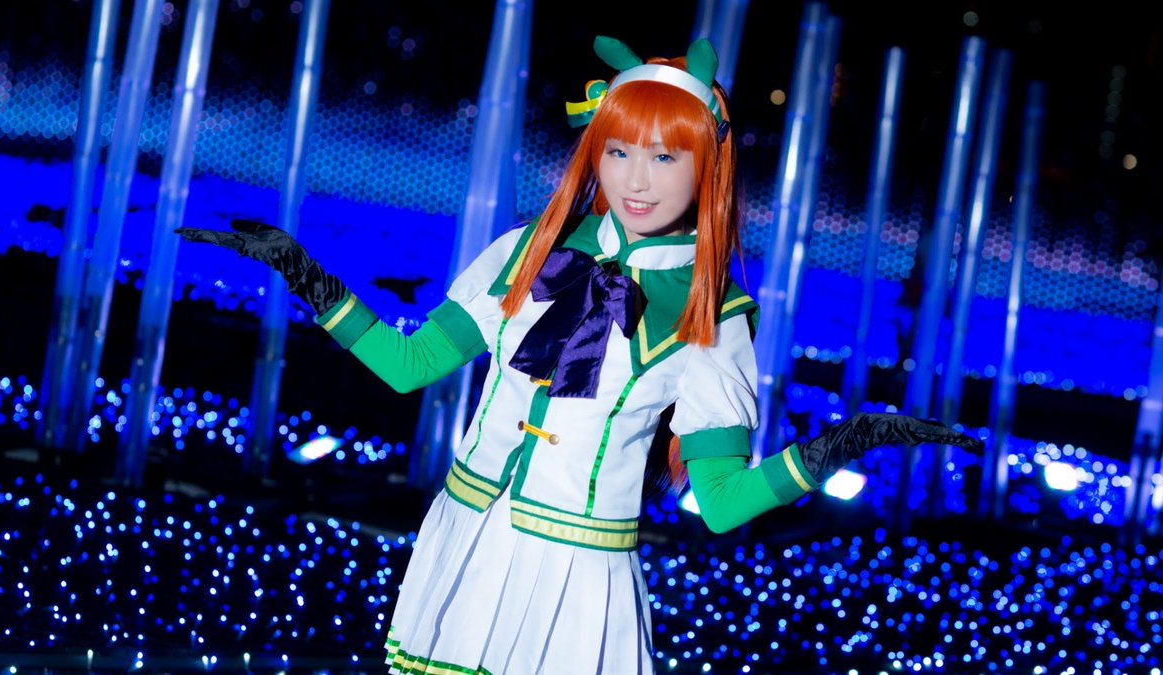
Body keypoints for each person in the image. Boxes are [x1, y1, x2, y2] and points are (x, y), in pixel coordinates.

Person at [178, 36, 982, 675]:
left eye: (665, 157)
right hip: (466, 536)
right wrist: (303, 273)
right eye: (620, 151)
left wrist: (848, 441)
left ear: (706, 167)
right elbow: (409, 364)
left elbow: (722, 502)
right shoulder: (527, 249)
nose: (637, 180)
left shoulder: (712, 315)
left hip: (576, 576)